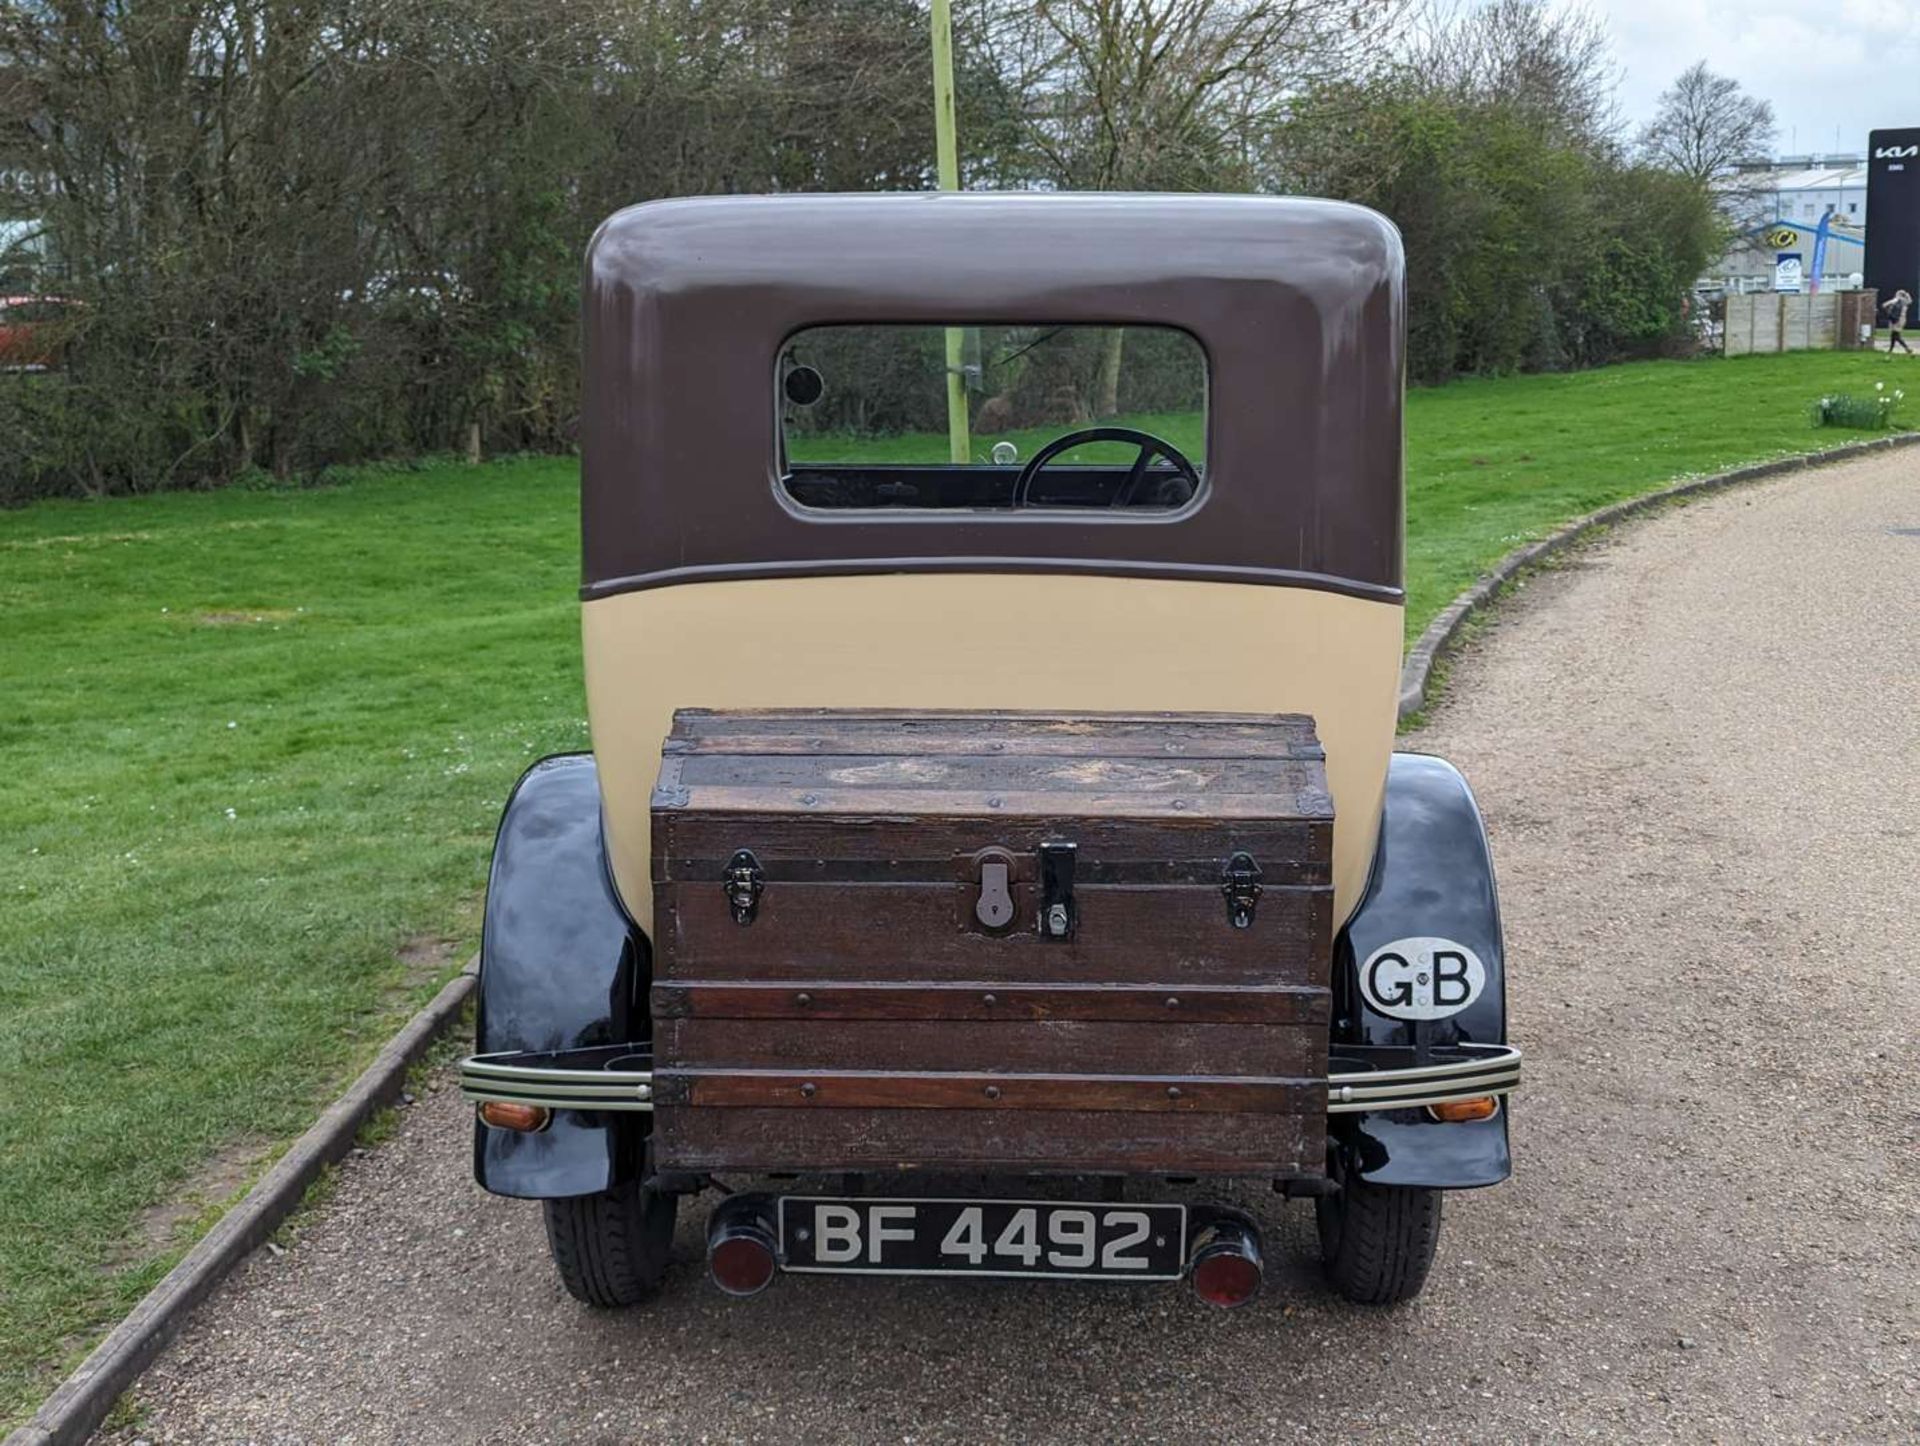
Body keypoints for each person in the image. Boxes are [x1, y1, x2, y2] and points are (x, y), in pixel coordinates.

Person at [1884, 288, 1914, 355]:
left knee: (1896, 336)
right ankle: (1891, 350)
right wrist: (1907, 294)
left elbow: (1885, 305)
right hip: (1901, 320)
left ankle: (1907, 348)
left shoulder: (1897, 300)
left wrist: (1887, 307)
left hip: (1896, 320)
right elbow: (1910, 300)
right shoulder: (1906, 302)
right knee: (1893, 335)